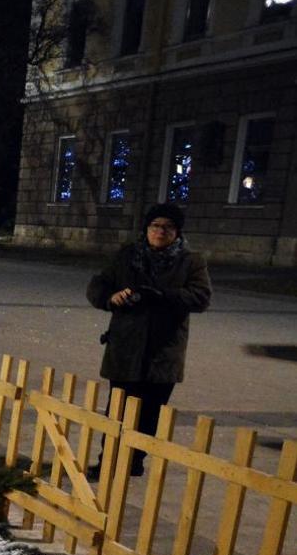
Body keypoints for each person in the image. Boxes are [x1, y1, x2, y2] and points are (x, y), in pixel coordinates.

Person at [86, 203, 211, 475]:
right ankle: (107, 461)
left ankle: (134, 462)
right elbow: (98, 285)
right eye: (155, 225)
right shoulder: (127, 255)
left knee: (150, 412)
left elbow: (201, 297)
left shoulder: (191, 261)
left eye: (168, 227)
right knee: (117, 409)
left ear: (177, 232)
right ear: (147, 229)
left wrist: (165, 296)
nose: (160, 231)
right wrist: (111, 297)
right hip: (125, 345)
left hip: (163, 351)